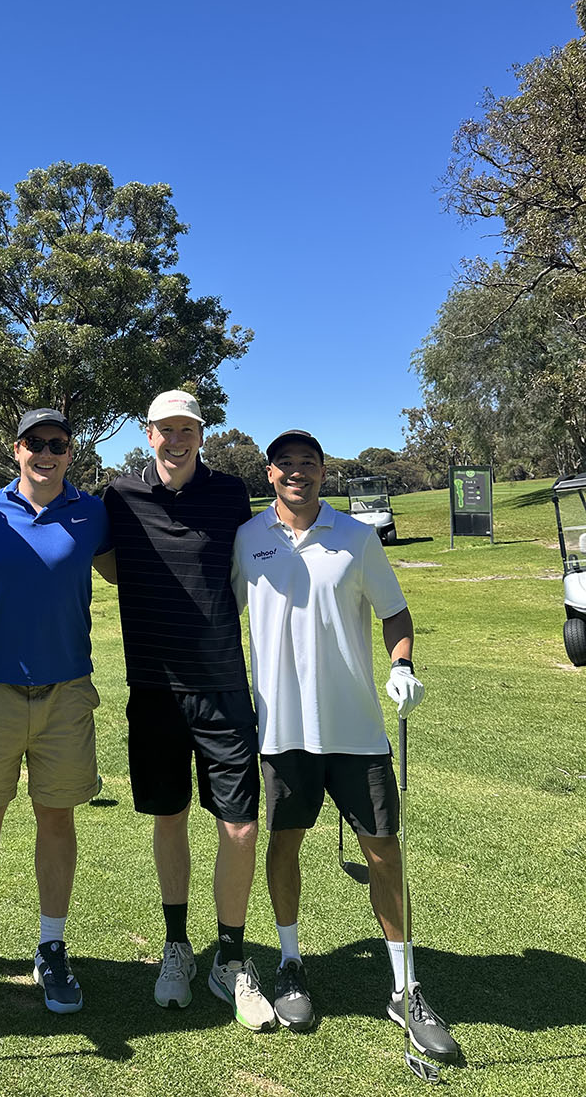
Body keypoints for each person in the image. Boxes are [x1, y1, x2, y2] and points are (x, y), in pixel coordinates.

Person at [232, 429, 459, 1060]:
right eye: (286, 464)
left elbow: (395, 612)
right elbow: (221, 611)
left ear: (323, 472)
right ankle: (289, 963)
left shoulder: (357, 537)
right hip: (281, 729)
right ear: (270, 473)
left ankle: (403, 987)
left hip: (357, 728)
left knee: (384, 852)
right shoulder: (248, 538)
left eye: (309, 463)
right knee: (283, 845)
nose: (297, 472)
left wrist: (403, 665)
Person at [97, 390, 276, 1032]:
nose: (177, 440)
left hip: (223, 685)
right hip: (153, 690)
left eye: (188, 430)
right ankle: (177, 948)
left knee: (240, 824)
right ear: (148, 434)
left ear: (202, 434)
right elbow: (101, 560)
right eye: (166, 429)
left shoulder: (231, 495)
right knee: (168, 817)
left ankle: (231, 958)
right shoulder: (118, 497)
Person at [0, 408, 111, 1014]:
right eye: (35, 443)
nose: (46, 452)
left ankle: (52, 945)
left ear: (71, 451)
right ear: (16, 450)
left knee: (56, 817)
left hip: (66, 692)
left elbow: (132, 571)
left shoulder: (93, 513)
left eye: (57, 444)